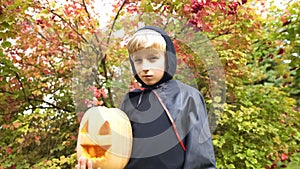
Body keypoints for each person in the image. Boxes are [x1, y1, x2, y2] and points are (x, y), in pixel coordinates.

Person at [76, 26, 216, 169]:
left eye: (153, 58)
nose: (145, 67)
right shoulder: (130, 101)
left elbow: (201, 158)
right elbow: (117, 155)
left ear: (168, 59)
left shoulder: (187, 97)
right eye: (138, 60)